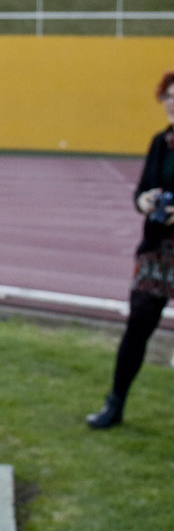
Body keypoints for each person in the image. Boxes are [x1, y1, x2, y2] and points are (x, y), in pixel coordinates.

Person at [87, 70, 174, 429]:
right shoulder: (160, 142)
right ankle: (115, 403)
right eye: (167, 97)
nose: (171, 104)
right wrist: (145, 201)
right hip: (157, 249)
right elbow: (141, 190)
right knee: (138, 323)